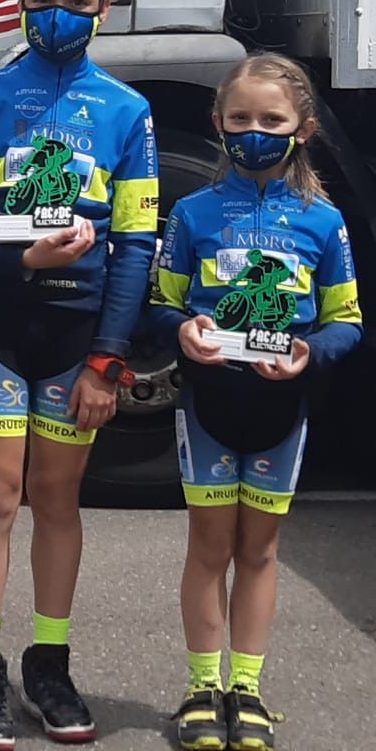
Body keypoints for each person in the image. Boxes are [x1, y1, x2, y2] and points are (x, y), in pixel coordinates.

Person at [0, 0, 160, 750]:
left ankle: (50, 663)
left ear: (103, 8)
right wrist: (19, 260)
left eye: (76, 3)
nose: (58, 17)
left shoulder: (127, 111)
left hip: (79, 337)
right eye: (42, 3)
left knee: (58, 500)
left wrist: (108, 359)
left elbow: (136, 244)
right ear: (20, 3)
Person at [149, 53, 360, 751]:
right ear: (217, 124)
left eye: (270, 120)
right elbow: (161, 305)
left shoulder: (322, 222)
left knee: (259, 551)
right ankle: (201, 688)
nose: (253, 131)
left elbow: (345, 322)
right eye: (239, 119)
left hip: (279, 407)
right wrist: (181, 330)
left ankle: (247, 688)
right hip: (209, 399)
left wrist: (311, 354)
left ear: (301, 129)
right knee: (209, 547)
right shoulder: (191, 213)